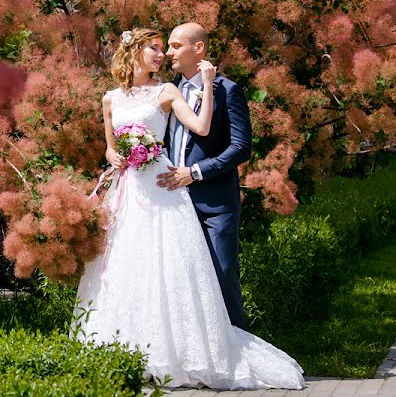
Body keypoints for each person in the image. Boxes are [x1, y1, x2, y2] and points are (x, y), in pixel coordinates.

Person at [71, 28, 305, 390]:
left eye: (169, 48)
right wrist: (114, 155)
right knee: (132, 267)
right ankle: (132, 353)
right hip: (132, 192)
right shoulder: (111, 98)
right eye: (156, 48)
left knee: (199, 274)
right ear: (132, 51)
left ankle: (217, 353)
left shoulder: (170, 90)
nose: (163, 54)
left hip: (169, 188)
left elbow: (205, 127)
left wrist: (209, 86)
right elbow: (109, 145)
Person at [158, 22, 250, 330]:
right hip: (174, 203)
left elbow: (240, 148)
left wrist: (195, 172)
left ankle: (238, 352)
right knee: (182, 282)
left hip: (216, 204)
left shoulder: (227, 90)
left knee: (223, 276)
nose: (168, 52)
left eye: (174, 45)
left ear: (198, 49)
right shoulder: (168, 91)